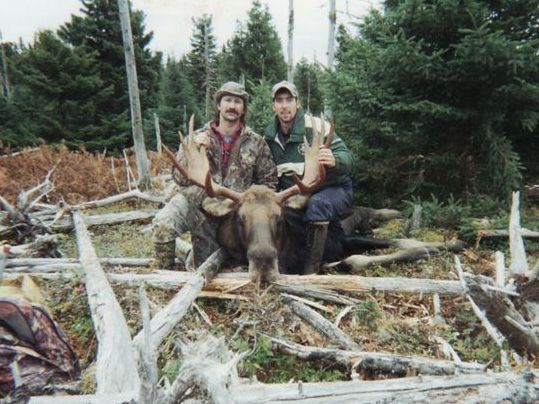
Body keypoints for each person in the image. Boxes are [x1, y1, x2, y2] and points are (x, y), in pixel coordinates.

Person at [152, 81, 278, 270]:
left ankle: (190, 255)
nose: (232, 106)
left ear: (243, 109)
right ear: (219, 105)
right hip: (194, 202)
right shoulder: (196, 137)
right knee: (163, 224)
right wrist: (193, 148)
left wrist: (251, 203)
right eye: (227, 100)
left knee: (205, 265)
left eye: (238, 102)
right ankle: (166, 274)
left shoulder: (257, 143)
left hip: (229, 213)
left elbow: (269, 182)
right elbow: (179, 177)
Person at [264, 80, 353, 274]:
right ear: (274, 105)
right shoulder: (269, 138)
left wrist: (335, 160)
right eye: (279, 100)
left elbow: (349, 159)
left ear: (298, 103)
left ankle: (311, 270)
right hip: (297, 197)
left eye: (289, 99)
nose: (284, 105)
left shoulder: (317, 126)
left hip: (332, 189)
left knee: (318, 205)